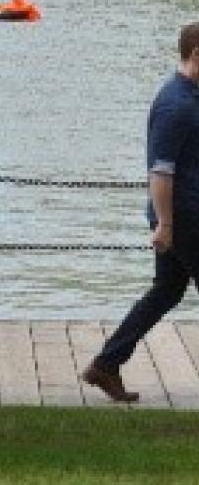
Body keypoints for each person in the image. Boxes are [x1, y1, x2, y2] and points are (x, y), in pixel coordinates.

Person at [82, 22, 199, 403]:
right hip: (182, 219)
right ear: (196, 54)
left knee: (167, 290)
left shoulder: (191, 97)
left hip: (184, 215)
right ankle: (106, 364)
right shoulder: (175, 105)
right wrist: (164, 224)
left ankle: (106, 364)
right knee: (167, 290)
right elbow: (160, 171)